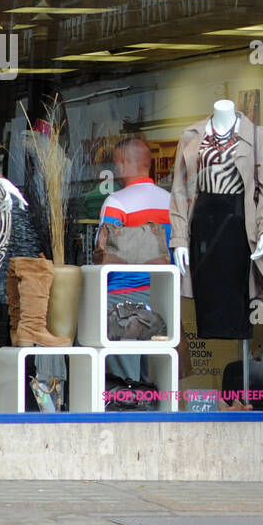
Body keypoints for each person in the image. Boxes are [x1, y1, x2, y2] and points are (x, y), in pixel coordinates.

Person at [94, 137, 172, 386]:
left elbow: (103, 252)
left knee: (125, 383)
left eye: (117, 163)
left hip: (121, 300)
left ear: (126, 164)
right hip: (163, 298)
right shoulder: (171, 202)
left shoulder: (117, 203)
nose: (116, 170)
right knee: (158, 379)